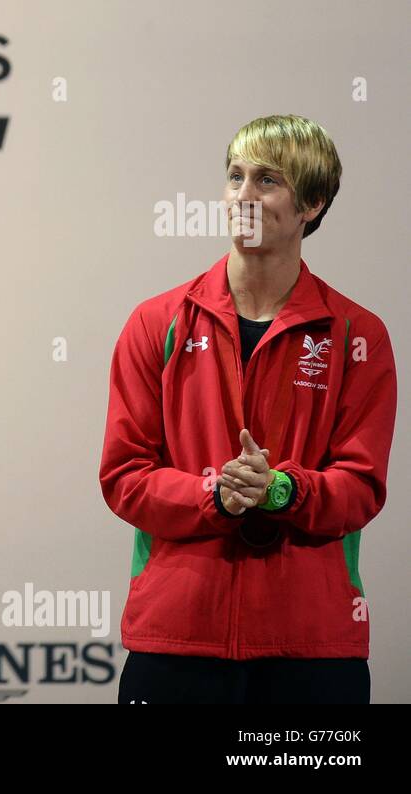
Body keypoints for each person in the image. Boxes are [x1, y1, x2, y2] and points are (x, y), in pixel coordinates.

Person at [100, 115, 397, 704]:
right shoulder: (155, 323)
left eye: (267, 180)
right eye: (235, 177)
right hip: (178, 641)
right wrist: (214, 496)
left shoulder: (358, 334)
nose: (243, 195)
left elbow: (362, 487)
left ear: (312, 203)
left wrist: (281, 491)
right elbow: (124, 478)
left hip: (311, 650)